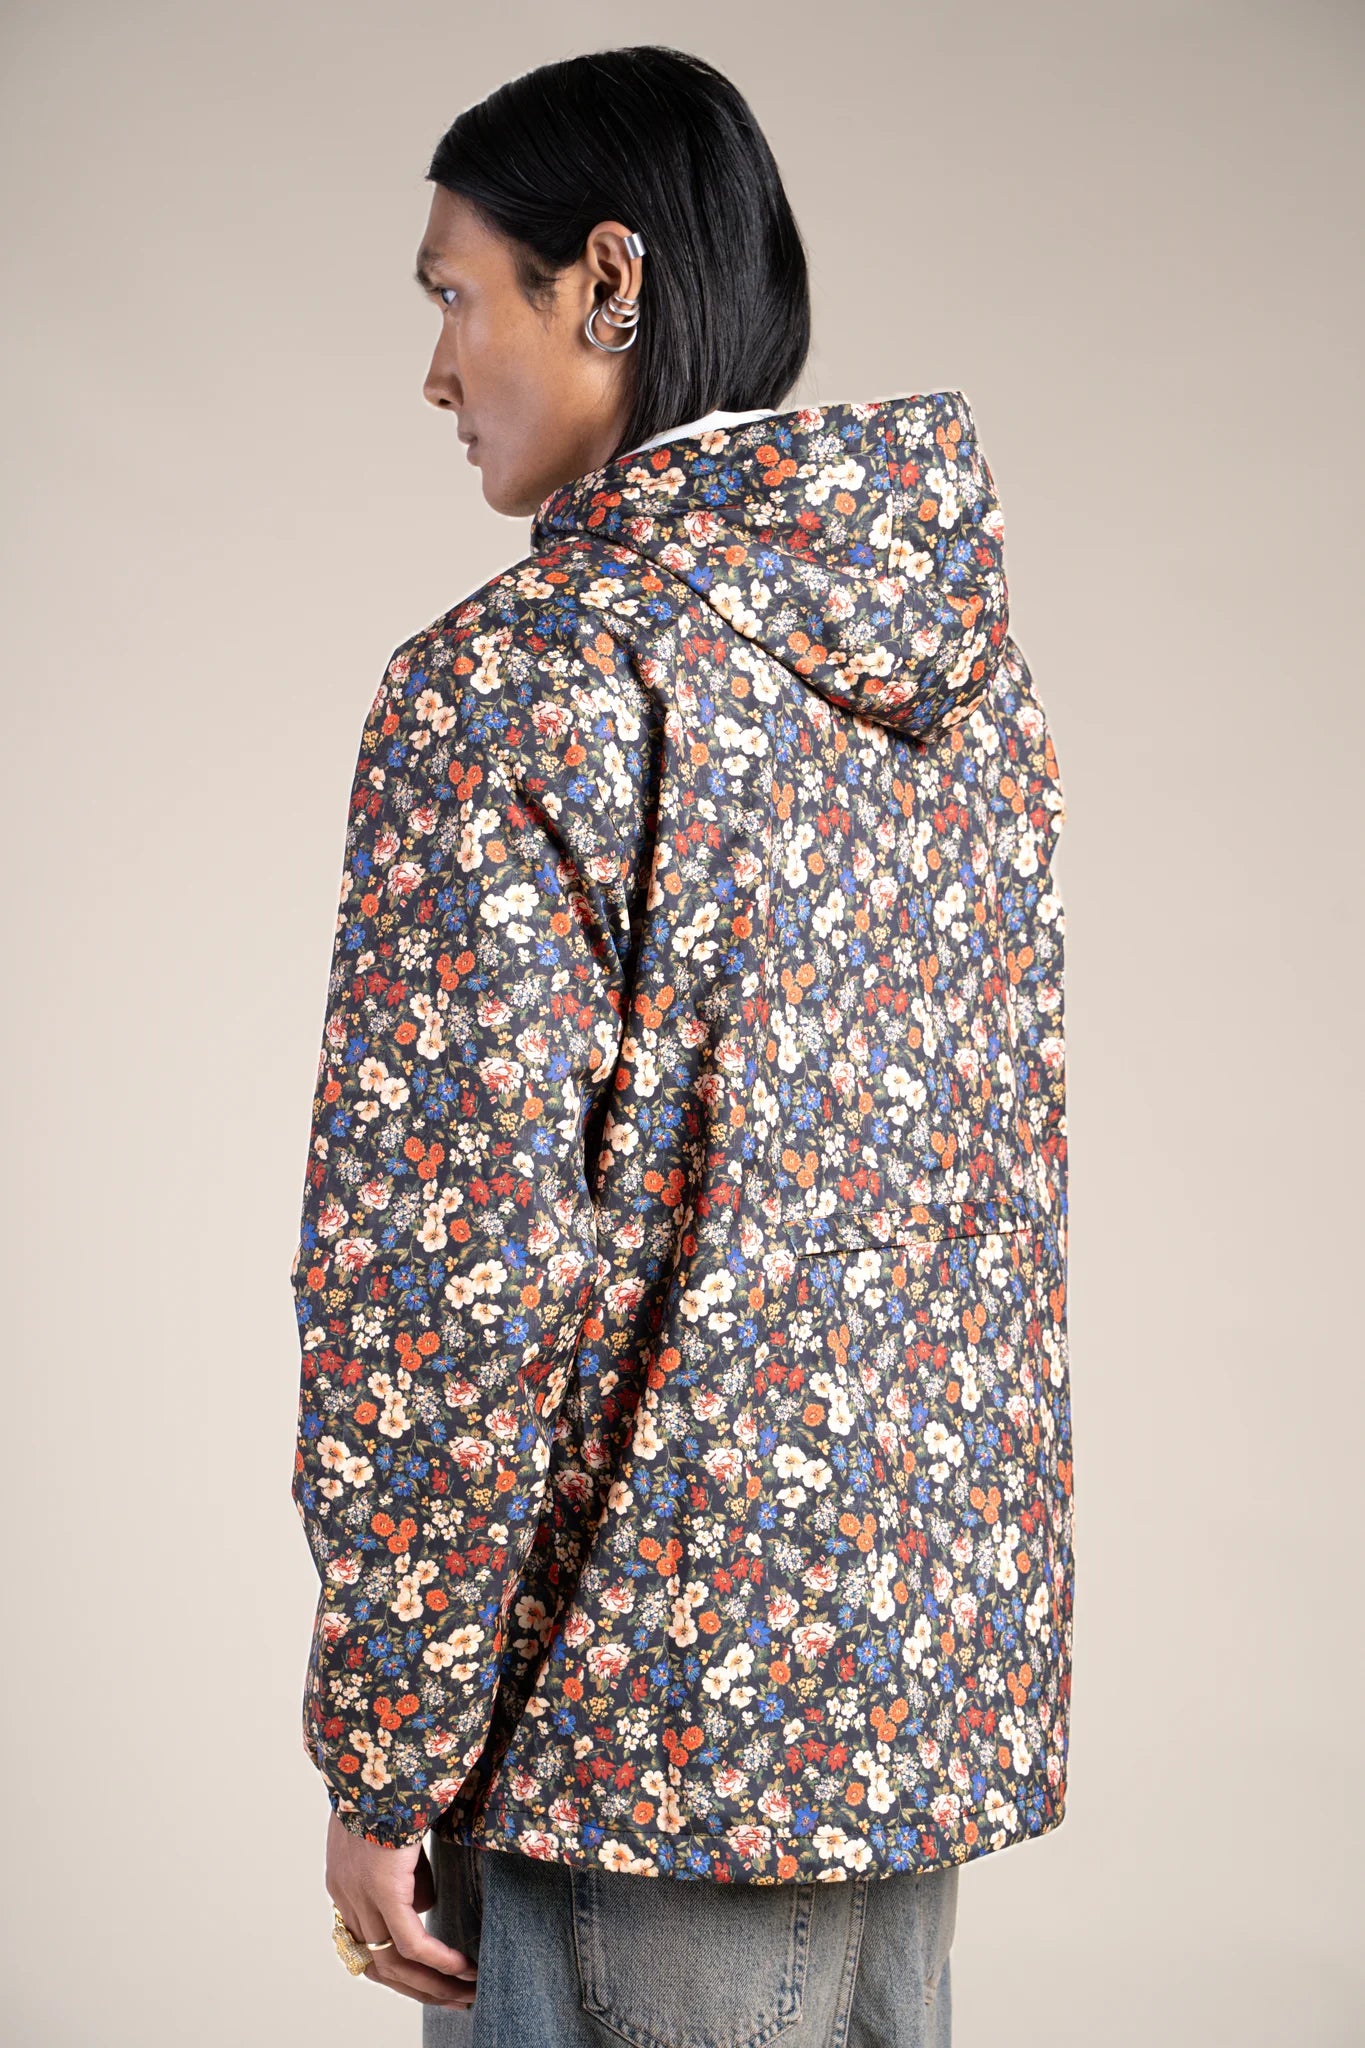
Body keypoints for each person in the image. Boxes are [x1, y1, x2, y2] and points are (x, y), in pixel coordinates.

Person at [289, 42, 1073, 2048]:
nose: (437, 368)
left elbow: (448, 1270)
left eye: (458, 293)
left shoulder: (517, 680)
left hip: (625, 1748)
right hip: (898, 1717)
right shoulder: (948, 687)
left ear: (607, 282)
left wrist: (383, 1744)